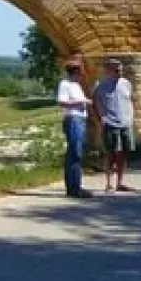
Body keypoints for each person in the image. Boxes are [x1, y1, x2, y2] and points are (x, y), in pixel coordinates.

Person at [91, 58, 135, 192]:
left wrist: (131, 116)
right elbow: (94, 104)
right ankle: (109, 183)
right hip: (110, 122)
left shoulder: (126, 83)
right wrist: (101, 119)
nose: (120, 73)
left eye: (121, 70)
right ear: (108, 71)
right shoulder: (101, 85)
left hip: (125, 122)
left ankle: (120, 183)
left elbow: (130, 100)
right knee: (110, 153)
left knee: (122, 153)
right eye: (116, 70)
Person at [56, 59, 94, 198]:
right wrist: (82, 101)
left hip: (79, 119)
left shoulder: (76, 85)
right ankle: (74, 188)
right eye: (82, 70)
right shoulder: (65, 84)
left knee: (76, 153)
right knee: (75, 153)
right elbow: (62, 102)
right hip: (73, 120)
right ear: (76, 71)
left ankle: (74, 186)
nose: (83, 73)